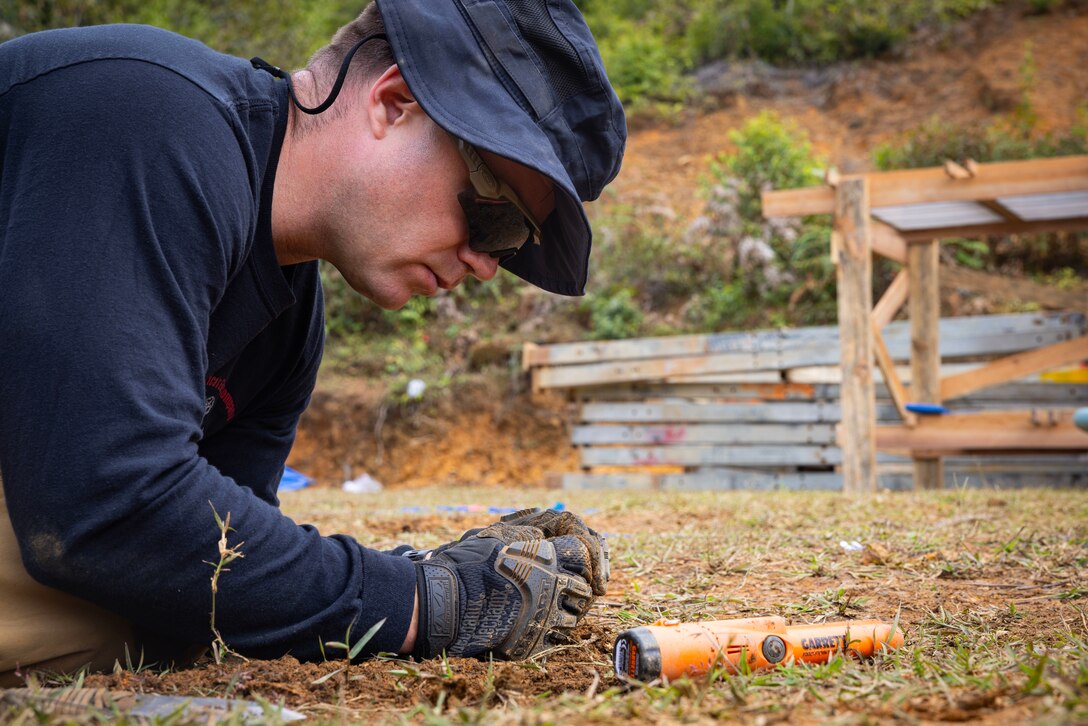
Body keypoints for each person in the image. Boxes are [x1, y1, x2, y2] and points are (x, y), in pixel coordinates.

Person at [0, 0, 625, 684]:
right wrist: (425, 602)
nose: (484, 263)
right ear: (394, 103)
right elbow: (106, 507)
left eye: (511, 244)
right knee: (98, 613)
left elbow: (211, 575)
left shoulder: (287, 325)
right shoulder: (146, 115)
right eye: (490, 214)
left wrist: (398, 583)